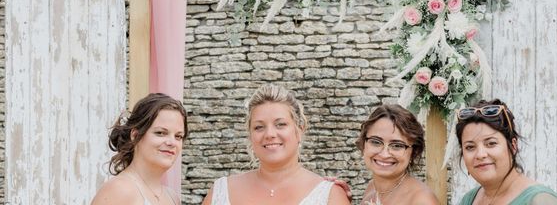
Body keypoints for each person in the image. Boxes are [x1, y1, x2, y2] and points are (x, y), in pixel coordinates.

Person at [202, 84, 350, 205]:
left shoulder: (329, 195)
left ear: (299, 129)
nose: (270, 134)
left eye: (280, 124)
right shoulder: (220, 192)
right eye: (259, 127)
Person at [456, 99, 557, 205]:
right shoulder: (469, 199)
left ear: (513, 146)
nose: (480, 154)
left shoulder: (540, 201)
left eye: (491, 143)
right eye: (470, 147)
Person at [91, 93, 188, 205]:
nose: (171, 143)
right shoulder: (120, 190)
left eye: (178, 136)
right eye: (160, 133)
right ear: (135, 135)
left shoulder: (172, 198)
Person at [356, 104, 440, 205]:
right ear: (364, 143)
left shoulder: (422, 200)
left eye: (397, 145)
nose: (384, 154)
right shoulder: (371, 188)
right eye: (376, 142)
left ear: (414, 151)